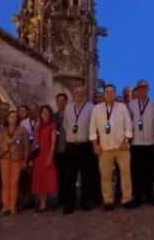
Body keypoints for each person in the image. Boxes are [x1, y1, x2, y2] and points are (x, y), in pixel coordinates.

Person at [89, 84, 133, 210]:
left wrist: (126, 141)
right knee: (105, 175)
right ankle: (108, 200)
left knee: (125, 174)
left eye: (111, 92)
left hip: (121, 147)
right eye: (107, 92)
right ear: (103, 94)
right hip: (104, 148)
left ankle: (127, 199)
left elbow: (129, 126)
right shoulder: (97, 109)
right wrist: (95, 145)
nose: (109, 94)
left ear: (115, 93)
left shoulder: (122, 107)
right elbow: (92, 128)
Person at [62, 85, 95, 214]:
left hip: (85, 145)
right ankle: (69, 204)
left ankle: (85, 202)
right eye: (77, 93)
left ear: (85, 94)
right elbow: (66, 124)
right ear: (74, 94)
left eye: (82, 93)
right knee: (69, 177)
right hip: (71, 146)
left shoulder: (91, 107)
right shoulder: (68, 107)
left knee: (87, 176)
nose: (79, 95)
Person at [128, 80, 154, 206]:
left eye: (145, 86)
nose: (142, 89)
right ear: (137, 89)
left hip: (151, 143)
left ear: (148, 88)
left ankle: (149, 195)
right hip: (136, 143)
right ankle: (138, 197)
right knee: (136, 171)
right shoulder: (131, 104)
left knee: (149, 171)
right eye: (140, 87)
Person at [0, 110, 29, 216]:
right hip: (5, 159)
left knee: (14, 183)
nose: (13, 119)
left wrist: (25, 160)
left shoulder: (22, 130)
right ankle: (5, 206)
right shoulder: (2, 130)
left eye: (15, 117)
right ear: (7, 118)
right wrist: (6, 144)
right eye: (11, 116)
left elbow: (26, 147)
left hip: (17, 159)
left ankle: (12, 205)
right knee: (5, 183)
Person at [32, 105, 58, 212]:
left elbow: (53, 142)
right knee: (40, 178)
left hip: (47, 153)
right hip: (39, 155)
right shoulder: (38, 126)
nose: (45, 114)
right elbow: (35, 142)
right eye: (43, 112)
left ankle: (45, 202)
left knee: (47, 178)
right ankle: (42, 201)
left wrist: (50, 156)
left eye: (47, 112)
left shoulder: (52, 125)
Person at [54, 93, 68, 205]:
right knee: (59, 175)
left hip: (68, 149)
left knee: (68, 175)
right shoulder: (53, 116)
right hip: (57, 149)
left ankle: (68, 197)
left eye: (63, 100)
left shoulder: (70, 115)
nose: (60, 102)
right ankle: (61, 198)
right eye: (59, 100)